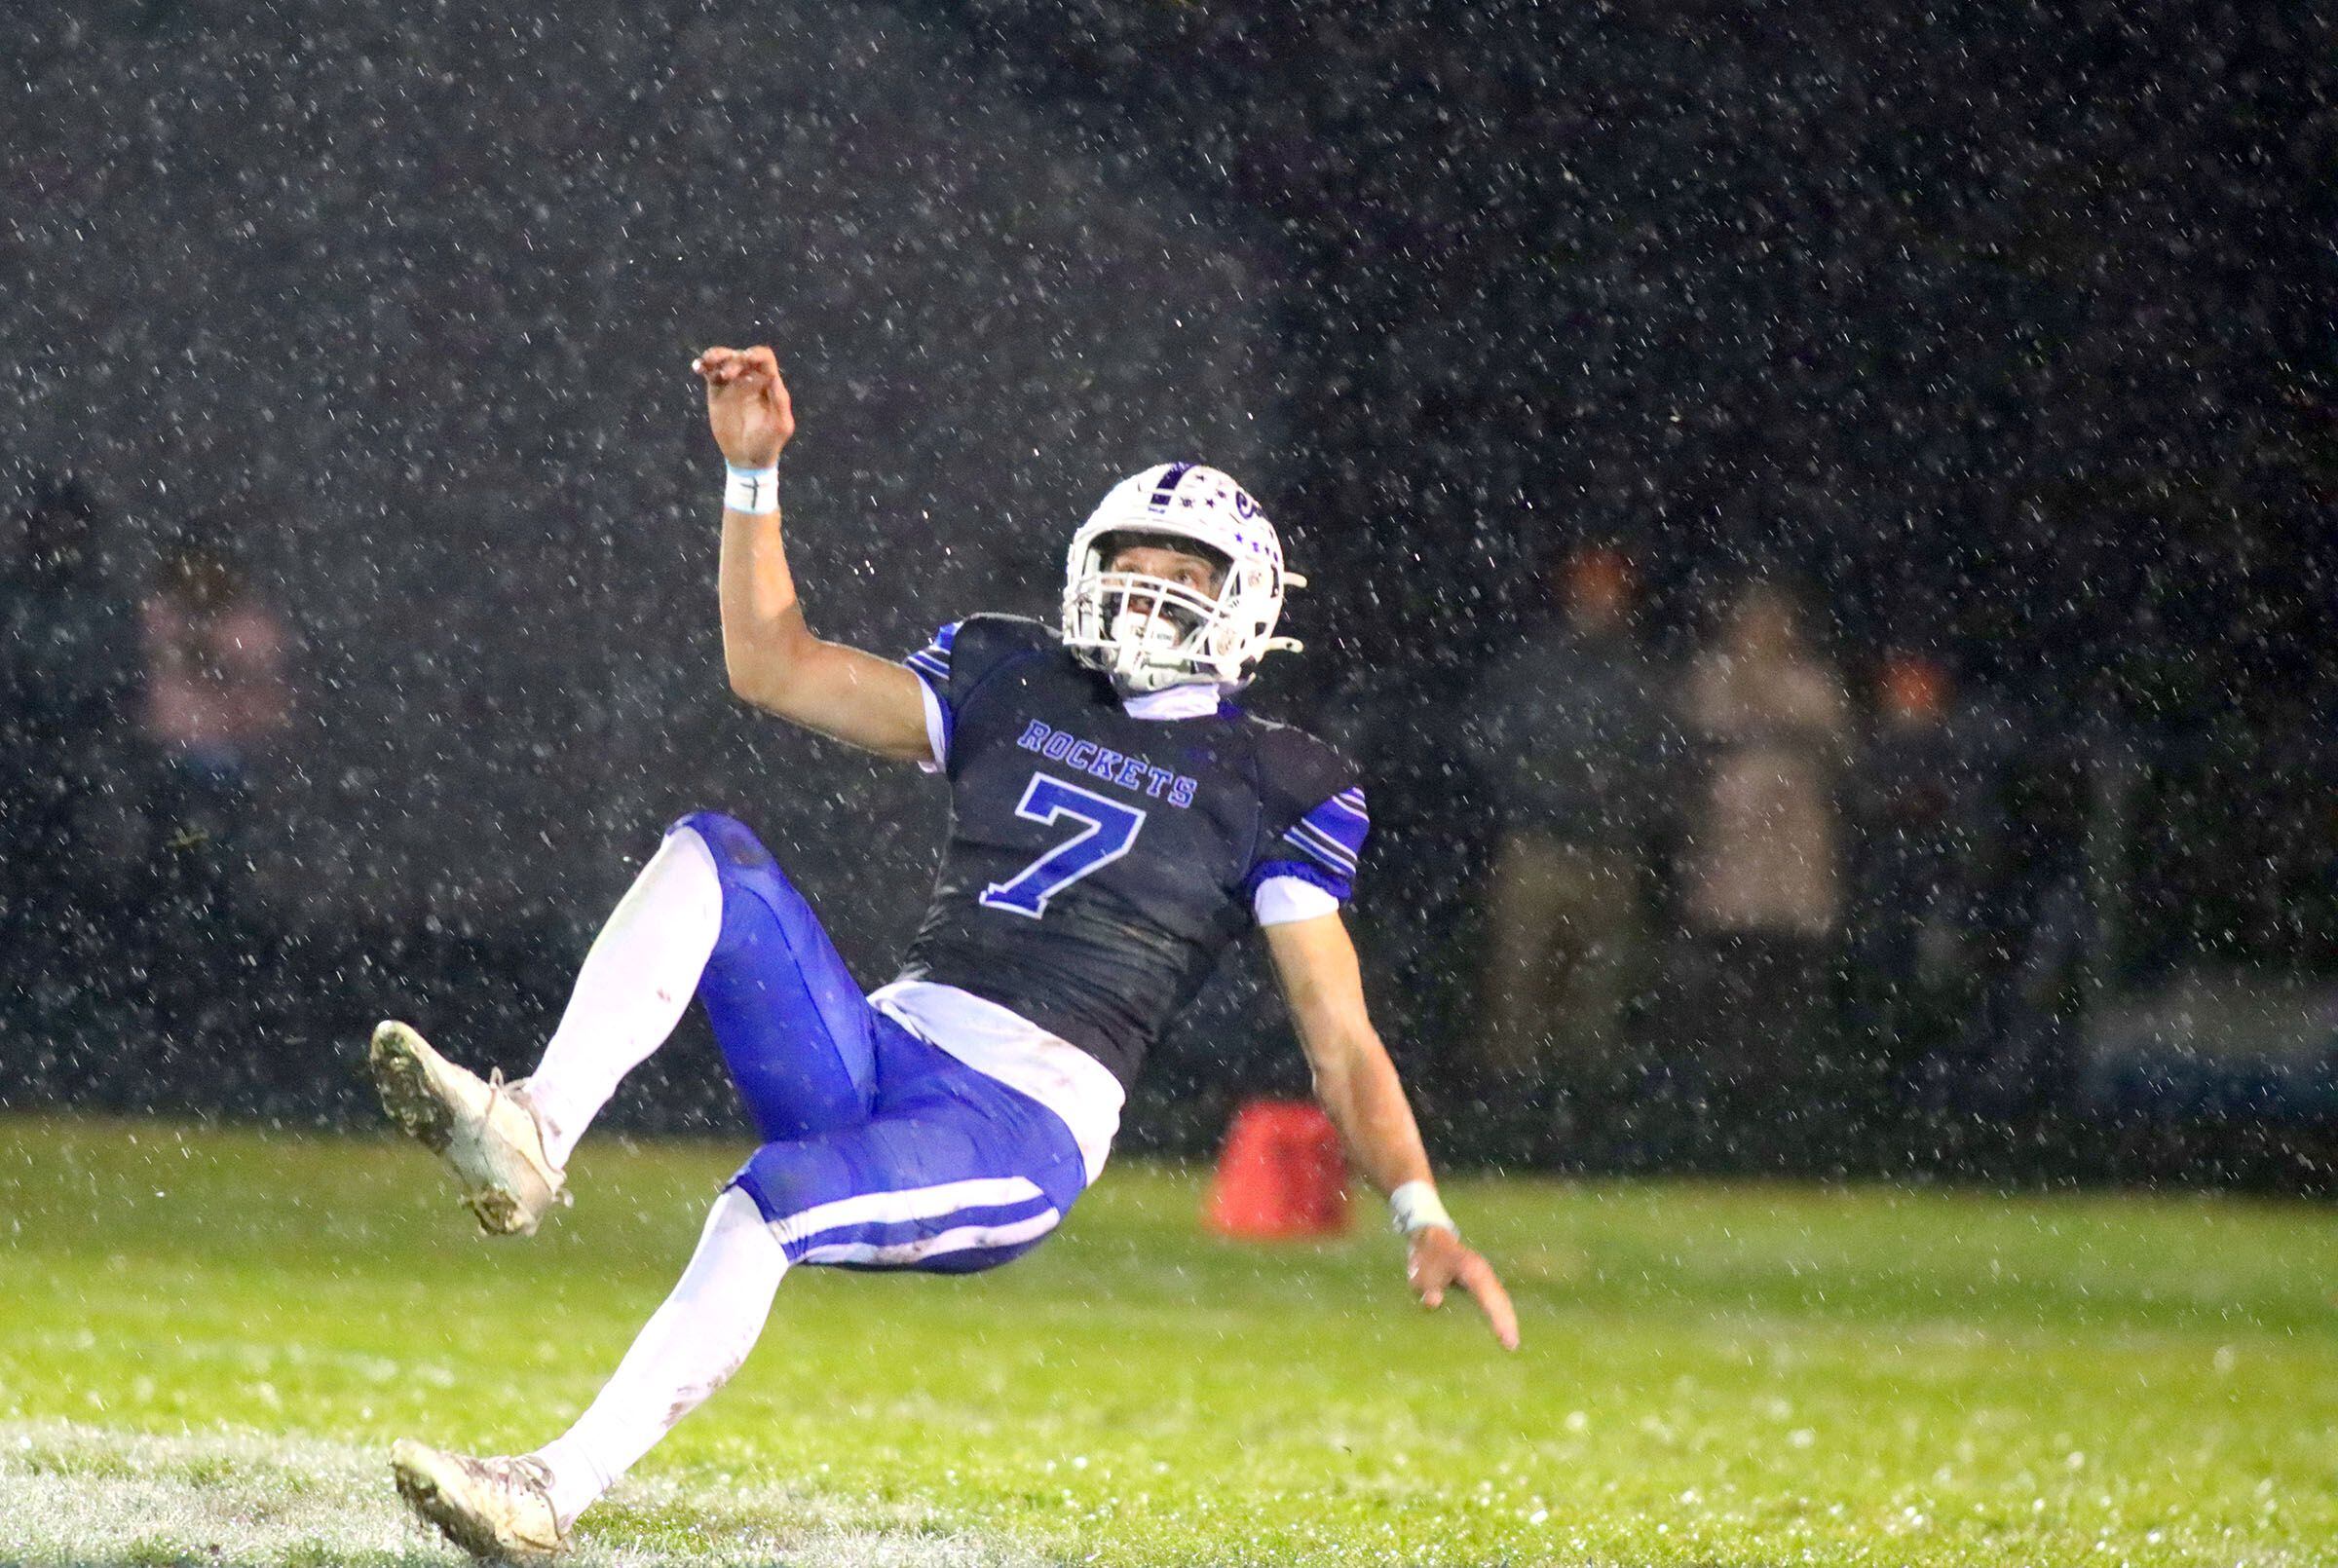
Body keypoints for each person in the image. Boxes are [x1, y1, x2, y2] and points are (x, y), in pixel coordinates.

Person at [372, 344, 1518, 1562]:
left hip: (1021, 1117)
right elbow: (773, 665)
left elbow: (1338, 1038)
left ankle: (551, 1488)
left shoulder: (1281, 778)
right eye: (1128, 565)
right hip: (887, 1037)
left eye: (1182, 572)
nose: (1145, 591)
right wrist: (750, 477)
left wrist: (1418, 1207)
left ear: (1246, 603)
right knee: (711, 850)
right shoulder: (1013, 671)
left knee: (765, 1207)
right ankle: (534, 1127)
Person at [1462, 544, 1674, 1154]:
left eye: (1612, 584)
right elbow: (1487, 738)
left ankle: (1583, 1132)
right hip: (1537, 846)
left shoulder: (1638, 675)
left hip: (1610, 852)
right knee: (1517, 993)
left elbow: (1664, 758)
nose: (1599, 596)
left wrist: (1624, 807)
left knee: (1597, 1000)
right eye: (1590, 583)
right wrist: (1536, 794)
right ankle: (1508, 1130)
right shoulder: (1535, 668)